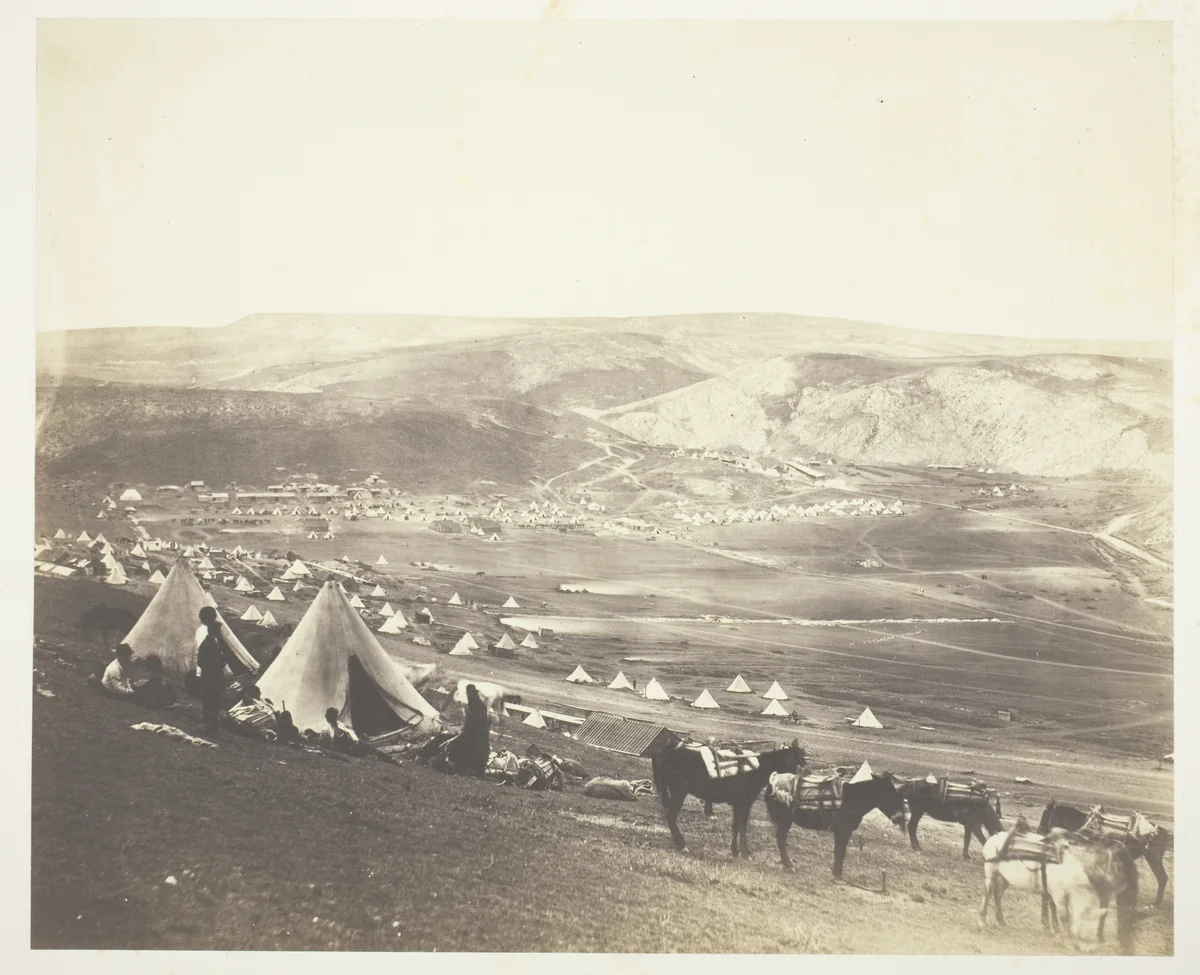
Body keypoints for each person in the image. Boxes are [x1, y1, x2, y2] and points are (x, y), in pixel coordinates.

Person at [196, 606, 243, 734]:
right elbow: (203, 661)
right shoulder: (210, 643)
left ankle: (211, 725)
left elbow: (204, 661)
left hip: (212, 676)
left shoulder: (211, 642)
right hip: (211, 676)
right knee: (211, 701)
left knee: (212, 701)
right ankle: (209, 725)